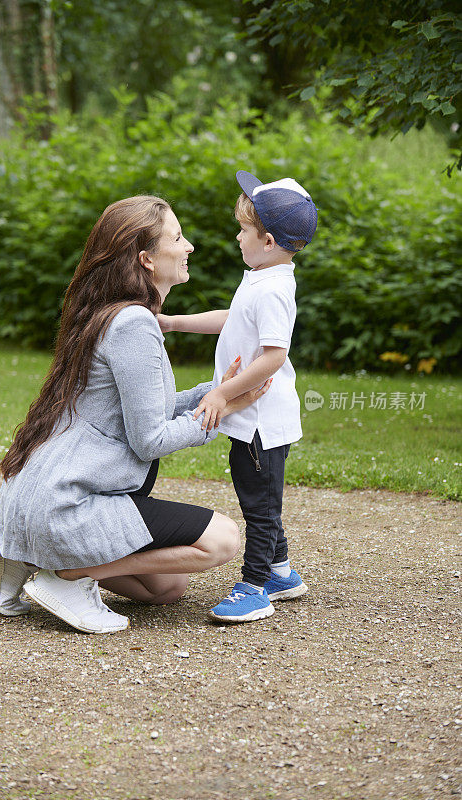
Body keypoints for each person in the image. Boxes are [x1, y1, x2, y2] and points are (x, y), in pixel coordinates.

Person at [0, 195, 271, 634]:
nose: (189, 246)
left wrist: (211, 393)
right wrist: (220, 411)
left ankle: (21, 556)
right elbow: (149, 439)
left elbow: (144, 410)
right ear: (147, 259)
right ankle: (68, 576)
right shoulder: (133, 324)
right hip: (69, 504)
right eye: (177, 238)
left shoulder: (105, 315)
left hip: (35, 501)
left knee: (166, 588)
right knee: (222, 541)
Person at [157, 171, 317, 623]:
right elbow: (233, 319)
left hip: (262, 421)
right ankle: (282, 573)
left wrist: (222, 393)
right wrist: (174, 322)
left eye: (243, 229)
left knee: (259, 507)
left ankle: (255, 586)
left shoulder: (273, 289)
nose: (236, 235)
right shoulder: (262, 277)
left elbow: (272, 356)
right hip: (253, 418)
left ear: (267, 240)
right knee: (258, 496)